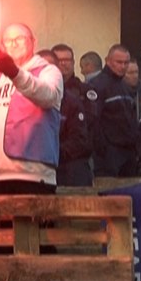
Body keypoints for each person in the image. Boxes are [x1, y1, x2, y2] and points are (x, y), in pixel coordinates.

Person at [0, 24, 62, 194]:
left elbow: (48, 96)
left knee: (30, 221)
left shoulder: (48, 71)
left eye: (19, 38)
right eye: (8, 40)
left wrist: (16, 73)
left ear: (33, 42)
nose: (13, 44)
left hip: (32, 175)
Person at [38, 50, 91, 187]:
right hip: (35, 173)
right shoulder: (23, 100)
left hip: (67, 172)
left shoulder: (71, 101)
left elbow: (79, 141)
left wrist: (50, 153)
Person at [88, 45, 140, 177]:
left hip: (128, 152)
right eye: (119, 62)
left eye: (126, 63)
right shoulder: (97, 85)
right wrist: (102, 149)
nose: (123, 66)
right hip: (109, 154)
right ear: (108, 61)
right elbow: (93, 120)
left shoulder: (125, 86)